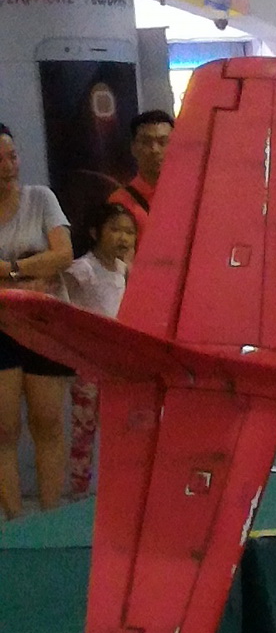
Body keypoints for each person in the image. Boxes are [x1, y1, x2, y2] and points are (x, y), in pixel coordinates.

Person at [0, 123, 74, 515]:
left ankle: (50, 516)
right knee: (4, 429)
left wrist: (9, 270)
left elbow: (62, 255)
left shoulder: (41, 198)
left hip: (45, 322)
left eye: (12, 156)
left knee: (48, 422)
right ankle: (15, 523)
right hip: (1, 328)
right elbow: (46, 260)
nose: (8, 166)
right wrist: (30, 272)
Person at [58, 195, 138, 497]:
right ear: (95, 232)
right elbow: (62, 301)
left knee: (117, 427)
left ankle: (115, 490)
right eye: (115, 230)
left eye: (129, 232)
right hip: (88, 364)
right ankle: (79, 492)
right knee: (84, 430)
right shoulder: (83, 269)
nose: (123, 238)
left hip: (117, 364)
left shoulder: (123, 270)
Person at [108, 107, 174, 232]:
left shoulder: (190, 196)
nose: (155, 150)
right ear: (133, 148)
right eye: (146, 142)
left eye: (163, 142)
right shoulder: (120, 202)